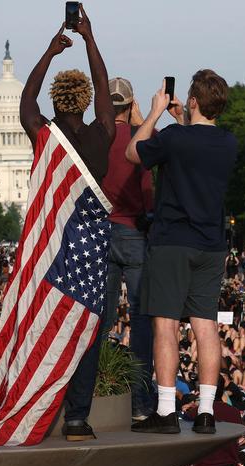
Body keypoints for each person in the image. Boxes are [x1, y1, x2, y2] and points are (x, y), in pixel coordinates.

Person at [12, 6, 114, 443]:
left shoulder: (45, 136)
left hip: (53, 249)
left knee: (45, 327)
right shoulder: (102, 133)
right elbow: (107, 92)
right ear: (88, 102)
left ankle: (35, 403)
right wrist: (90, 39)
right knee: (85, 333)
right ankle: (77, 417)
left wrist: (50, 53)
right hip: (91, 251)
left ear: (55, 101)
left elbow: (25, 102)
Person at [126, 69, 237, 434]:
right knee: (206, 327)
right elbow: (197, 145)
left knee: (166, 326)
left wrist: (157, 112)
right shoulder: (228, 142)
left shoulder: (173, 137)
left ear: (192, 100)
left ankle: (166, 411)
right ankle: (206, 412)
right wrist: (183, 120)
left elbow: (133, 153)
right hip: (211, 245)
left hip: (173, 240)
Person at [100, 76, 155, 422]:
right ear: (131, 105)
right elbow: (149, 189)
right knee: (141, 318)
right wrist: (141, 122)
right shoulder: (141, 141)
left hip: (101, 231)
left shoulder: (96, 138)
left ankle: (98, 391)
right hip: (134, 230)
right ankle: (139, 403)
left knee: (100, 321)